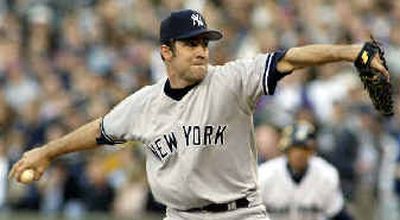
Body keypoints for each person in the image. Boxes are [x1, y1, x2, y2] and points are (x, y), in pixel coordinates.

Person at [8, 9, 388, 220]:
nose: (202, 50)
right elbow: (100, 130)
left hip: (241, 216)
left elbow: (289, 58)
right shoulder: (144, 103)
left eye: (204, 43)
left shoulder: (231, 80)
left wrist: (350, 51)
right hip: (181, 217)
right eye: (190, 44)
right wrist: (47, 152)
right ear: (166, 52)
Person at [258, 120, 353, 220]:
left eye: (304, 148)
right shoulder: (265, 174)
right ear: (286, 150)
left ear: (312, 151)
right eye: (295, 148)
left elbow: (337, 214)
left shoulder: (326, 174)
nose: (299, 154)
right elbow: (249, 213)